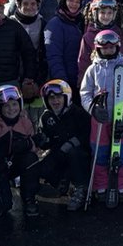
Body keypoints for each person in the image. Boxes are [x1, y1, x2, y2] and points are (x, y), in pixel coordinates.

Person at [80, 29, 123, 206]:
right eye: (104, 48)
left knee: (121, 153)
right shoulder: (93, 69)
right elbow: (85, 93)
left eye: (111, 47)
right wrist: (93, 108)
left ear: (117, 47)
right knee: (101, 153)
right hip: (100, 120)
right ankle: (101, 185)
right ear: (98, 49)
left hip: (120, 119)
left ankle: (122, 184)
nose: (108, 50)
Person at [0, 84, 40, 218]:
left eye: (14, 104)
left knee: (31, 159)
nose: (11, 109)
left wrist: (29, 143)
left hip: (15, 165)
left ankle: (29, 198)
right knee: (1, 208)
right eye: (6, 106)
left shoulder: (25, 122)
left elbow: (34, 149)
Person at [31, 79, 92, 209]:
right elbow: (46, 143)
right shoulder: (46, 117)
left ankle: (81, 187)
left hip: (79, 154)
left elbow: (86, 135)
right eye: (51, 98)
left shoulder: (77, 113)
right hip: (59, 153)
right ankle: (62, 181)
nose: (55, 101)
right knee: (42, 167)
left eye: (58, 97)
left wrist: (69, 144)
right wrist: (42, 140)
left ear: (66, 97)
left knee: (74, 154)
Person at [44, 0, 86, 100]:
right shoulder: (55, 25)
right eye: (71, 1)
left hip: (82, 80)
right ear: (63, 2)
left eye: (77, 2)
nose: (74, 4)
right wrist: (63, 83)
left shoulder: (81, 21)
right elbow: (54, 57)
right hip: (68, 83)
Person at [77, 0, 123, 80]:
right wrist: (82, 83)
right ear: (95, 14)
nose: (106, 16)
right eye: (102, 13)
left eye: (109, 13)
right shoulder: (88, 36)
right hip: (97, 81)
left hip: (119, 81)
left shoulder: (120, 33)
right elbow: (83, 63)